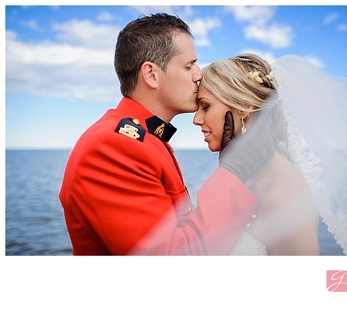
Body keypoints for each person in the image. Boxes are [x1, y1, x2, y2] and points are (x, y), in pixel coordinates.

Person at [59, 13, 267, 255]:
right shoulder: (112, 147)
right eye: (189, 65)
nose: (199, 74)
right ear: (151, 75)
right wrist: (233, 173)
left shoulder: (146, 138)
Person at [194, 53, 347, 255]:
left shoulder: (284, 192)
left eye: (206, 106)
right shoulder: (243, 175)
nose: (196, 119)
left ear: (245, 107)